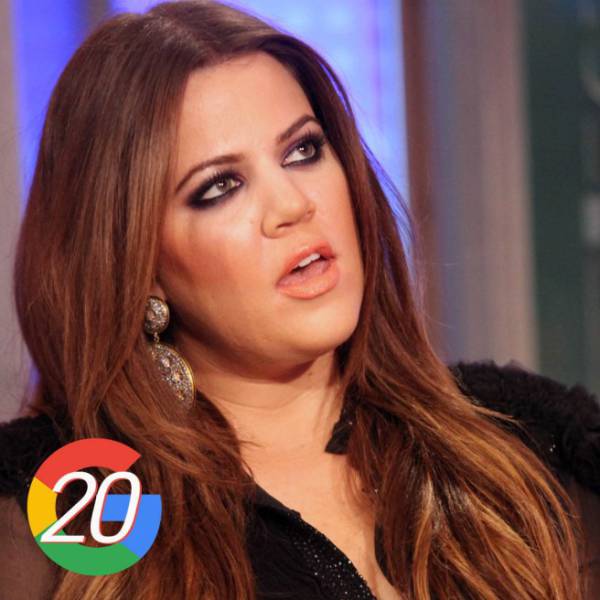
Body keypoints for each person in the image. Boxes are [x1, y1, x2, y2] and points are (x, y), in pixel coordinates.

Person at [0, 1, 598, 599]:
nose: (292, 205)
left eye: (303, 151)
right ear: (139, 265)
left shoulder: (525, 440)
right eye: (220, 187)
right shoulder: (68, 498)